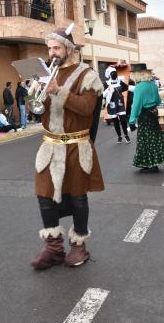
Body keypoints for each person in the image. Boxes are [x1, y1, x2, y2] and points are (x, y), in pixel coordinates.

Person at [28, 25, 104, 270]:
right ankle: (53, 248)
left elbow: (86, 109)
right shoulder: (46, 73)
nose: (52, 53)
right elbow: (37, 110)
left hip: (76, 145)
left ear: (69, 49)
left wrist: (59, 92)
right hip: (50, 145)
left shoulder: (87, 74)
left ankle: (79, 245)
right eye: (49, 48)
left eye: (57, 48)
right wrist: (33, 93)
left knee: (78, 198)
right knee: (44, 196)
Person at [128, 63, 164, 172]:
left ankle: (151, 165)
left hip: (144, 116)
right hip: (154, 114)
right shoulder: (153, 85)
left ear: (138, 75)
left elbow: (136, 106)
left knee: (145, 140)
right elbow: (158, 101)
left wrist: (131, 121)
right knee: (154, 139)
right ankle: (152, 163)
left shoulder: (139, 88)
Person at [103, 66, 130, 143]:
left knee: (123, 120)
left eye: (115, 72)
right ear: (109, 75)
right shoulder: (106, 83)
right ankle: (119, 136)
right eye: (113, 73)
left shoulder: (119, 81)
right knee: (115, 121)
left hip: (120, 104)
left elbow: (125, 87)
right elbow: (103, 95)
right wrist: (108, 90)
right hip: (112, 105)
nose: (115, 74)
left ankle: (126, 135)